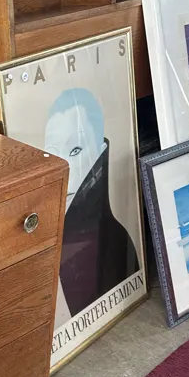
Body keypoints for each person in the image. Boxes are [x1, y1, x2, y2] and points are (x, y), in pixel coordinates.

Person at [44, 88, 140, 317]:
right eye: (52, 155)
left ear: (101, 151)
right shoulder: (55, 248)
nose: (64, 170)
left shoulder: (114, 241)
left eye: (76, 150)